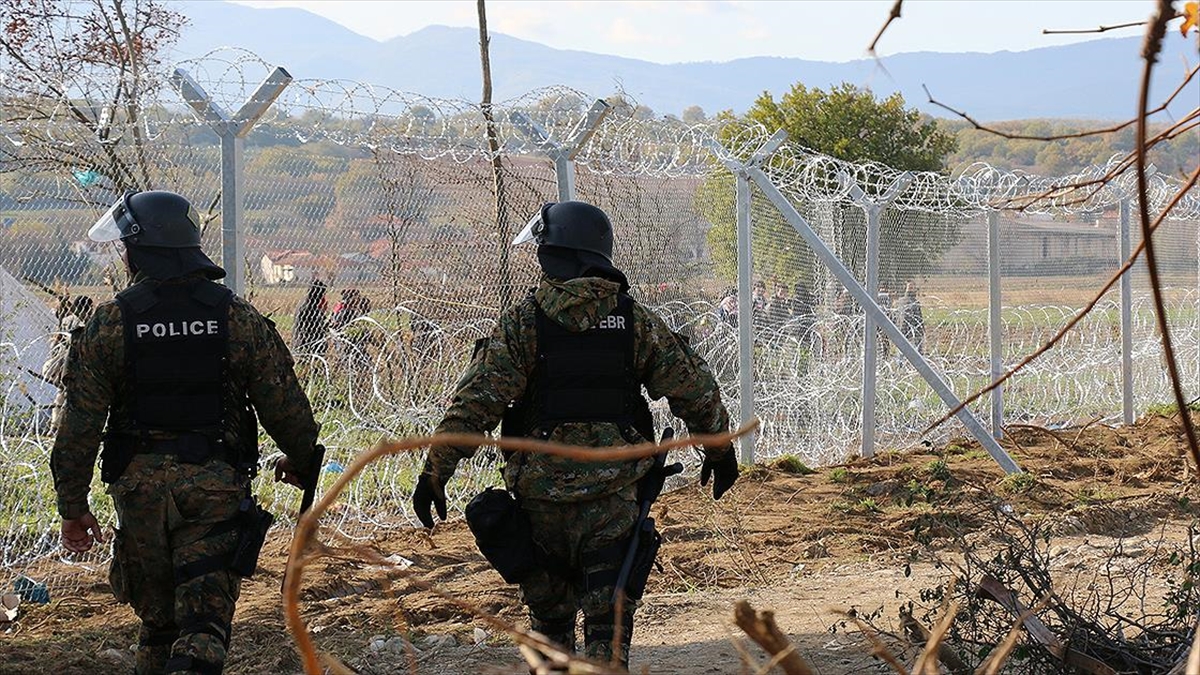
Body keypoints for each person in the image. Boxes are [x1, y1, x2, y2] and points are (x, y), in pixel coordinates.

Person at [411, 201, 738, 667]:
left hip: (541, 503)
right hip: (615, 500)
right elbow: (694, 388)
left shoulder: (525, 324)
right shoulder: (633, 322)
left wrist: (436, 471)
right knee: (608, 629)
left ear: (553, 255)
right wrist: (719, 449)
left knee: (550, 627)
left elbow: (475, 403)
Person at [51, 190, 322, 675]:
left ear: (138, 250)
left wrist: (73, 507)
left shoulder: (111, 322)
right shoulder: (236, 318)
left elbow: (78, 427)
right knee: (203, 625)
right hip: (214, 486)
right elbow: (284, 405)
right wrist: (301, 460)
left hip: (138, 495)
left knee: (159, 624)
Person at [43, 294, 95, 435]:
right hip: (75, 362)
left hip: (62, 361)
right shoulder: (86, 322)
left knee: (62, 392)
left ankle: (55, 426)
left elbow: (57, 340)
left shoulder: (66, 320)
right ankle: (64, 426)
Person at [292, 278, 328, 354]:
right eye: (323, 295)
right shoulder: (308, 307)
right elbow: (316, 326)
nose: (324, 298)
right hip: (307, 345)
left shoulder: (308, 303)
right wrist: (322, 313)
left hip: (304, 342)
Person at [896, 281, 926, 353]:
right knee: (917, 349)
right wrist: (922, 329)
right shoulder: (913, 303)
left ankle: (901, 362)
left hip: (903, 329)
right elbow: (918, 317)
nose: (913, 290)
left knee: (902, 349)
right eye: (911, 288)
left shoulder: (900, 301)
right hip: (912, 329)